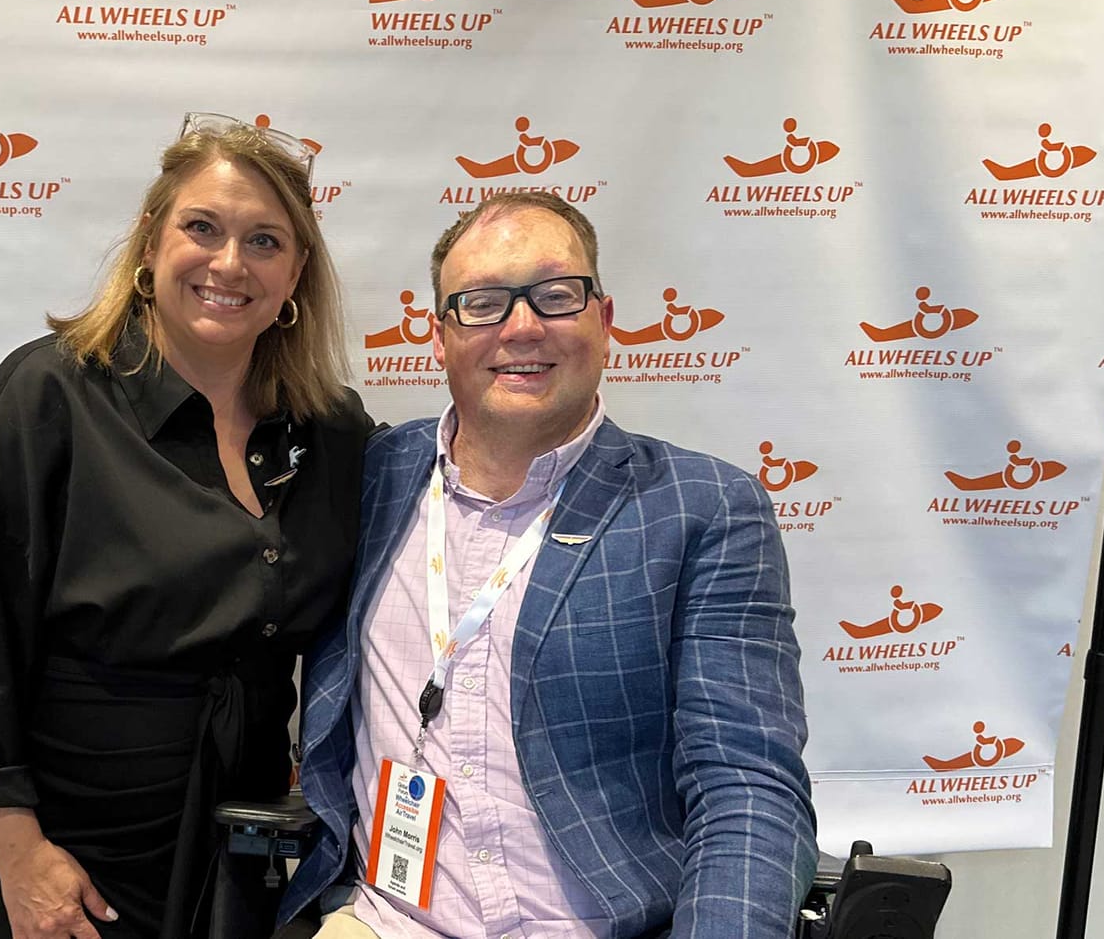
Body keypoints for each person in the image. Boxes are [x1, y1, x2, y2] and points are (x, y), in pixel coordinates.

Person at [282, 193, 817, 938]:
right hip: (384, 920)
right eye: (483, 303)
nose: (522, 326)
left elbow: (747, 787)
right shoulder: (370, 477)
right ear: (437, 337)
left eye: (557, 295)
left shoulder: (704, 509)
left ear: (605, 320)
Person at [0, 114, 373, 939]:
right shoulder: (49, 397)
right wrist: (19, 856)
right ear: (151, 244)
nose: (229, 263)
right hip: (68, 842)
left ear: (296, 276)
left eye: (265, 241)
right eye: (203, 228)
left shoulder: (330, 433)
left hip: (248, 833)